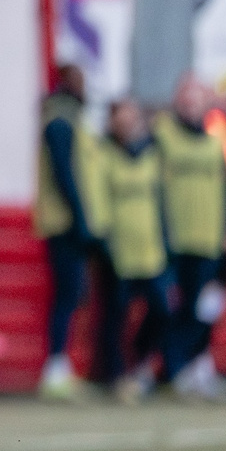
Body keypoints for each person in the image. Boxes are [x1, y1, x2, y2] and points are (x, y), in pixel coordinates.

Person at [152, 73, 226, 398]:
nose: (191, 103)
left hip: (208, 239)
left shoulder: (215, 142)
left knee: (205, 309)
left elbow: (223, 190)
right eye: (186, 96)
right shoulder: (163, 135)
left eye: (197, 97)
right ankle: (173, 369)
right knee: (173, 309)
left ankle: (196, 365)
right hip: (174, 239)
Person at [95, 97, 174, 401]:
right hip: (118, 250)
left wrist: (167, 243)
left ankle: (140, 362)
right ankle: (116, 376)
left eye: (133, 119)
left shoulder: (152, 154)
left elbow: (162, 202)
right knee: (115, 316)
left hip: (150, 249)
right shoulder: (104, 153)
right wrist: (103, 240)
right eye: (122, 119)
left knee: (162, 310)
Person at [33, 63, 103, 399]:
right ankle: (56, 366)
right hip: (63, 222)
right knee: (67, 293)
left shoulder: (69, 119)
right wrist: (81, 218)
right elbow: (65, 173)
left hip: (69, 219)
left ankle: (60, 366)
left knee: (73, 293)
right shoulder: (60, 120)